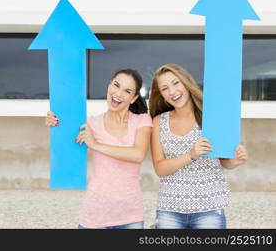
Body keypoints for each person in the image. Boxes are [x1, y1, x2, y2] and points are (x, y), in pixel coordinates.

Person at [46, 68, 153, 229]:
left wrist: (96, 144)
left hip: (130, 216)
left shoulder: (142, 121)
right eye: (116, 85)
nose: (118, 93)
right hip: (94, 214)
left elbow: (137, 154)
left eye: (127, 91)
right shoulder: (91, 123)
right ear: (109, 85)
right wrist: (54, 123)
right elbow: (65, 136)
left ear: (134, 98)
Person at [149, 63, 248, 229]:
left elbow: (224, 161)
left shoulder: (211, 116)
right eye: (165, 88)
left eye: (176, 83)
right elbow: (160, 168)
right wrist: (190, 155)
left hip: (209, 209)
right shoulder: (159, 121)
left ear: (186, 83)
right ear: (161, 94)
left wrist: (235, 160)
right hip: (170, 210)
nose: (172, 92)